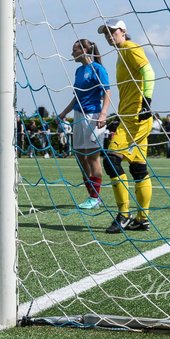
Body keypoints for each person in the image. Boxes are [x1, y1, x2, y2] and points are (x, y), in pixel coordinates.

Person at [97, 18, 155, 234]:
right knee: (138, 168)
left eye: (112, 31)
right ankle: (142, 219)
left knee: (111, 161)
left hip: (136, 118)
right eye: (106, 33)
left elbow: (149, 72)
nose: (109, 35)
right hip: (131, 117)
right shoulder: (122, 53)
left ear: (123, 31)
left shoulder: (130, 47)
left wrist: (147, 103)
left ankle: (124, 215)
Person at [56, 38, 112, 211]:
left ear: (85, 51)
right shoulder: (79, 71)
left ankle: (95, 198)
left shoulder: (98, 68)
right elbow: (77, 96)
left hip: (93, 116)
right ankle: (92, 196)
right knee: (80, 157)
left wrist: (103, 114)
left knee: (93, 157)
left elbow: (107, 91)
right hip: (78, 116)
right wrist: (64, 112)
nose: (72, 52)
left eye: (75, 49)